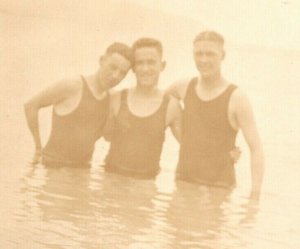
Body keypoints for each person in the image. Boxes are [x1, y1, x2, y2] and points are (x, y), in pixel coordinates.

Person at [167, 31, 264, 196]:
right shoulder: (183, 86)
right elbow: (155, 106)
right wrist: (183, 139)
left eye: (210, 54)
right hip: (183, 181)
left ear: (222, 55)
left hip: (219, 188)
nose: (204, 60)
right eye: (199, 54)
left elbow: (256, 149)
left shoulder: (236, 97)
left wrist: (254, 197)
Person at [24, 42, 133, 167]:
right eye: (113, 67)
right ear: (102, 60)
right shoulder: (73, 85)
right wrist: (38, 147)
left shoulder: (112, 99)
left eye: (122, 73)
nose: (115, 76)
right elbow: (31, 105)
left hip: (83, 170)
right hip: (55, 166)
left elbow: (105, 136)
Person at [104, 38, 182, 178]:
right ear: (133, 67)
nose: (145, 69)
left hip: (146, 186)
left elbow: (191, 145)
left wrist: (228, 153)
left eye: (151, 62)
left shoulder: (171, 106)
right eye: (140, 63)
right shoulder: (116, 99)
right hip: (111, 179)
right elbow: (99, 134)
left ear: (162, 65)